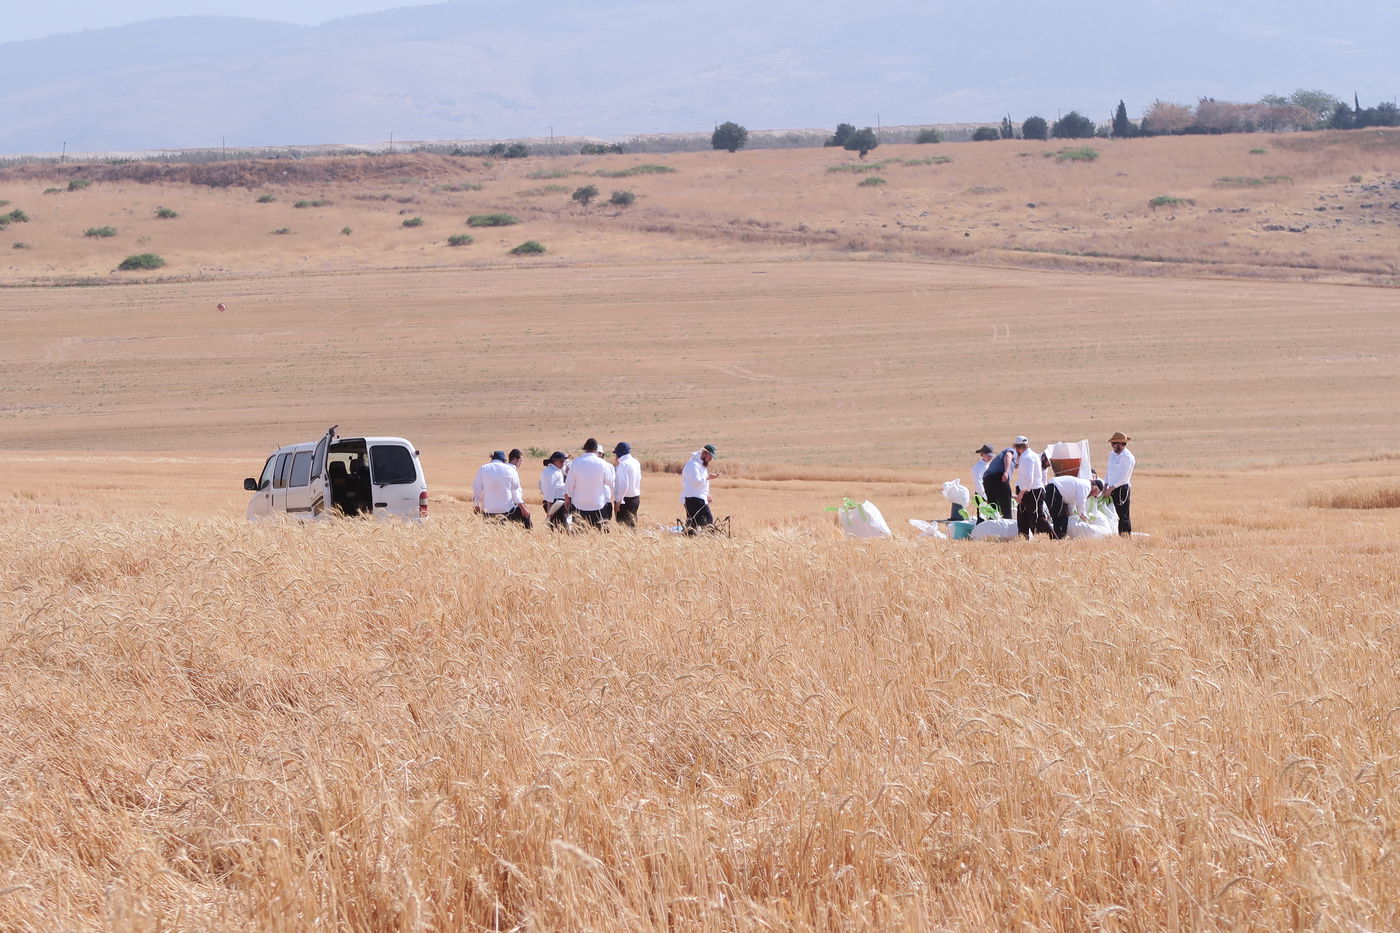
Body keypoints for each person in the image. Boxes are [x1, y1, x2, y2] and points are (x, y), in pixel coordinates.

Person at [564, 437, 615, 529]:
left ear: (585, 449)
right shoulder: (603, 463)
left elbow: (569, 484)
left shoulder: (575, 463)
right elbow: (610, 482)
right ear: (596, 450)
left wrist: (568, 497)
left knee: (579, 536)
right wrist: (612, 496)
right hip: (598, 504)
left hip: (579, 505)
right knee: (600, 536)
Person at [473, 450, 531, 529]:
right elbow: (515, 492)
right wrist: (523, 508)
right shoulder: (510, 469)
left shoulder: (483, 468)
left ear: (492, 459)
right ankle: (528, 536)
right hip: (507, 511)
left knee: (490, 536)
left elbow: (477, 489)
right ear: (504, 460)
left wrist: (476, 505)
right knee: (526, 520)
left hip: (488, 511)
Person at [1012, 436, 1052, 538]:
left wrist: (1021, 493)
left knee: (1038, 518)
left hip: (1032, 491)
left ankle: (1054, 538)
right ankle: (1023, 540)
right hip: (1030, 490)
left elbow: (1028, 478)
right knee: (1022, 517)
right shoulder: (1032, 455)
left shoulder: (1027, 458)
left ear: (1017, 448)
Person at [1046, 475, 1103, 540]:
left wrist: (1075, 515)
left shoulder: (1082, 485)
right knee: (1058, 518)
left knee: (1063, 518)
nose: (1094, 496)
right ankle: (1056, 539)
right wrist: (1081, 516)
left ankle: (1059, 538)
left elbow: (1072, 504)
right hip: (1054, 489)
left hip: (1057, 492)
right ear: (1095, 489)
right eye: (1096, 494)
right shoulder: (1086, 486)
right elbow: (1081, 503)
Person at [1103, 431, 1136, 536]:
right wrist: (1105, 486)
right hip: (1110, 488)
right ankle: (1118, 534)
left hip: (1121, 489)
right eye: (1112, 444)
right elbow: (1109, 471)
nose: (1113, 446)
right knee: (1114, 514)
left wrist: (1110, 489)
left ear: (1121, 444)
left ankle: (1125, 537)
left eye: (1114, 444)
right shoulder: (1112, 455)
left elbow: (1124, 478)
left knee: (1123, 515)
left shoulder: (1128, 457)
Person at [681, 444, 718, 534]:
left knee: (692, 526)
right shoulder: (693, 465)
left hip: (697, 498)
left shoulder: (700, 465)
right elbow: (696, 481)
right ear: (705, 453)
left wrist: (706, 494)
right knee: (707, 522)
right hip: (693, 499)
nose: (711, 459)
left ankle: (688, 543)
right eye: (710, 456)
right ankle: (707, 544)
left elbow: (700, 483)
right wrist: (708, 477)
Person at [980, 442, 1016, 522]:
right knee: (1006, 511)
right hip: (998, 478)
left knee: (993, 510)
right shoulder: (1013, 451)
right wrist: (1006, 472)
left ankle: (992, 531)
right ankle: (1007, 531)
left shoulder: (999, 457)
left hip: (987, 481)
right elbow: (1008, 456)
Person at [612, 441, 642, 527]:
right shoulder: (636, 462)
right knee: (633, 527)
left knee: (624, 529)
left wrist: (618, 502)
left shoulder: (623, 465)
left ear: (618, 453)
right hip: (636, 498)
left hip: (625, 501)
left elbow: (624, 486)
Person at [539, 450, 570, 530]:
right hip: (555, 504)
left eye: (564, 461)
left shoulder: (554, 470)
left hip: (557, 503)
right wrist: (550, 510)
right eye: (561, 461)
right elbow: (549, 491)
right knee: (560, 529)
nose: (563, 464)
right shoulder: (551, 473)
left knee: (558, 528)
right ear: (554, 461)